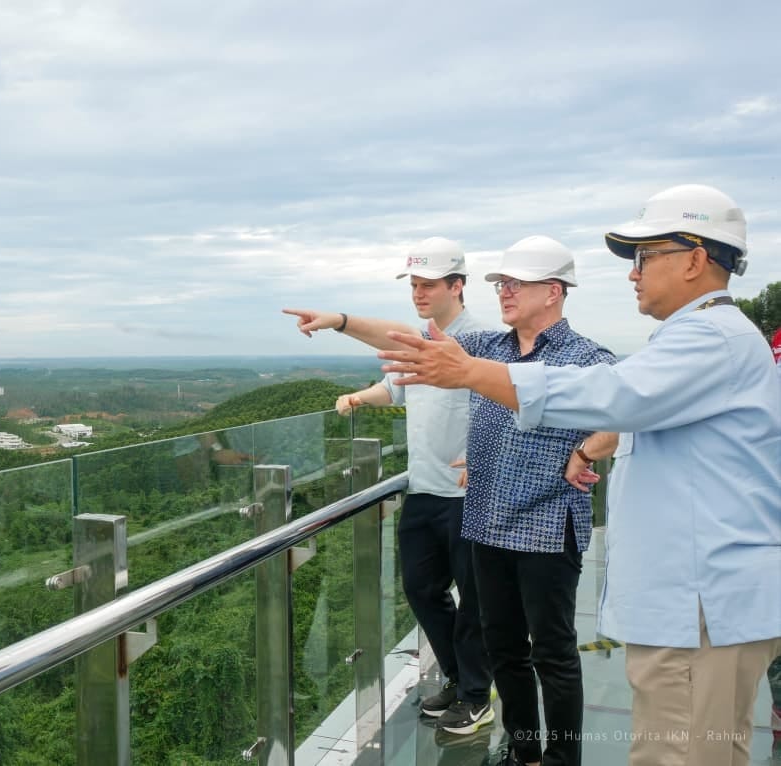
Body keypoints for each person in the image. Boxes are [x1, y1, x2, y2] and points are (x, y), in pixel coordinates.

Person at [377, 184, 781, 766]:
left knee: (678, 752)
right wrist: (590, 449)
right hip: (691, 608)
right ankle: (526, 749)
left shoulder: (710, 338)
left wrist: (471, 373)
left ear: (694, 259)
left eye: (645, 257)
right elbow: (642, 408)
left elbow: (613, 394)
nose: (633, 274)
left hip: (700, 610)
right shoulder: (702, 339)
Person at [287, 235, 617, 766]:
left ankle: (562, 760)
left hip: (546, 524)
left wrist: (583, 451)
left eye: (516, 284)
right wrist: (342, 320)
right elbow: (406, 338)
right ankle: (525, 752)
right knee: (505, 649)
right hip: (486, 522)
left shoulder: (585, 357)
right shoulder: (491, 349)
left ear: (554, 292)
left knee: (552, 653)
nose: (504, 292)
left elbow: (613, 423)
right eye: (501, 284)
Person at [289, 238, 495, 736]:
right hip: (425, 488)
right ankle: (457, 677)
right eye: (415, 286)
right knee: (422, 589)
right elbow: (397, 387)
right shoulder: (422, 338)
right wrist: (360, 397)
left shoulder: (480, 342)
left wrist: (340, 320)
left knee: (474, 600)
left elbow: (394, 337)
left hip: (471, 493)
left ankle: (476, 694)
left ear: (457, 286)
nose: (419, 294)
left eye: (429, 285)